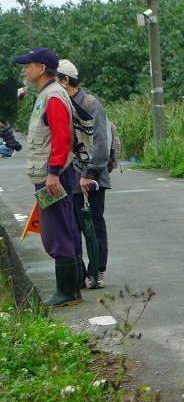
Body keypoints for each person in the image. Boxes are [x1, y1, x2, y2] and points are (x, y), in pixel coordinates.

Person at [13, 47, 82, 307]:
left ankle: (66, 292)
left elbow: (62, 138)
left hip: (53, 177)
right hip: (53, 175)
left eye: (28, 65)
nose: (24, 69)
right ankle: (72, 290)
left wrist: (52, 174)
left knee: (56, 231)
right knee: (65, 227)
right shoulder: (49, 94)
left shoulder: (52, 96)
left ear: (41, 68)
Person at [57, 60, 111, 289]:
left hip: (91, 177)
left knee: (93, 225)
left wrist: (88, 174)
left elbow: (100, 144)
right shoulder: (61, 103)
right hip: (69, 178)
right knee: (72, 226)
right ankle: (79, 273)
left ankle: (96, 271)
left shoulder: (90, 104)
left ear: (65, 80)